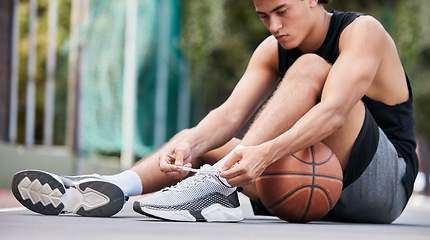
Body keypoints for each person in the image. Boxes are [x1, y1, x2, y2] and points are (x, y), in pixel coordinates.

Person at [12, 0, 418, 223]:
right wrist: (189, 144)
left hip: (381, 187)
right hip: (311, 188)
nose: (274, 26)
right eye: (264, 17)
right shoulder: (271, 49)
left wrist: (263, 154)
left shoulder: (362, 31)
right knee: (200, 140)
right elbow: (227, 115)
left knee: (310, 67)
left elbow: (333, 113)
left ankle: (212, 190)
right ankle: (112, 187)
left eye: (282, 11)